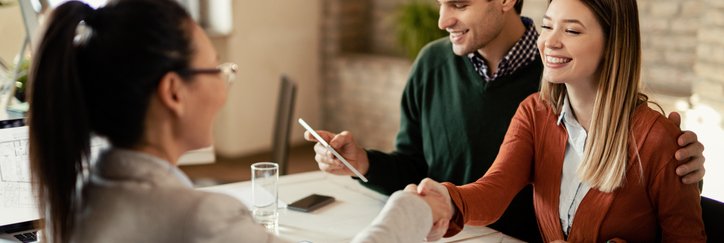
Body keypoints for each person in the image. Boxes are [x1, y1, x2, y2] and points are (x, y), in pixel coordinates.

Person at [27, 0, 448, 242]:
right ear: (174, 92)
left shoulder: (72, 202)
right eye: (216, 69)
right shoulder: (203, 221)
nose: (226, 85)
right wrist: (408, 212)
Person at [305, 0, 707, 242]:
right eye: (548, 26)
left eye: (571, 30)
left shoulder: (658, 139)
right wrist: (445, 200)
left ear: (612, 44)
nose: (549, 41)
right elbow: (492, 189)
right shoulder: (537, 111)